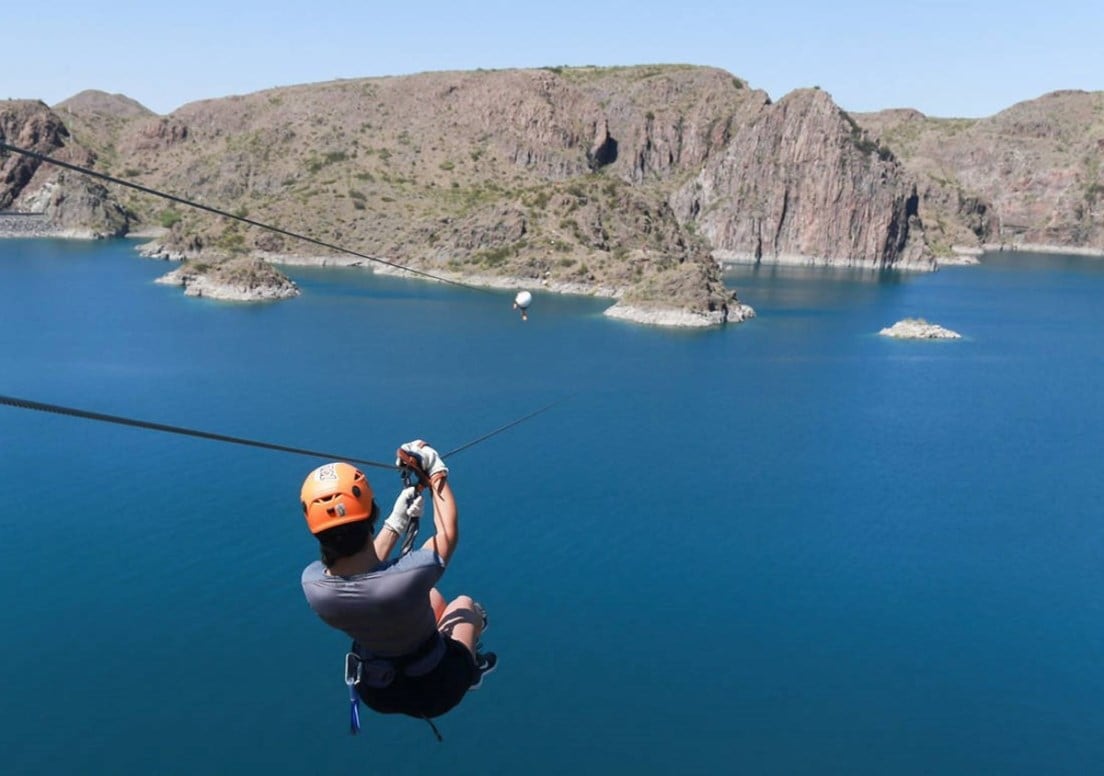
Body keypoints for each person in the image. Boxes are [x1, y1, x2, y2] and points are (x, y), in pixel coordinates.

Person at [300, 440, 495, 723]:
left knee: (433, 599)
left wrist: (396, 523)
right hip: (439, 687)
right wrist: (436, 470)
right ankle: (472, 668)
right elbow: (447, 533)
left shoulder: (313, 585)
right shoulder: (408, 577)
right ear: (371, 514)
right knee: (466, 607)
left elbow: (360, 572)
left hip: (379, 690)